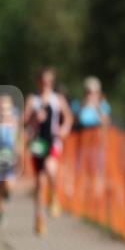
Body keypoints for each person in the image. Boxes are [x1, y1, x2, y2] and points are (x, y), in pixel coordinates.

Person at [23, 67, 74, 236]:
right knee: (39, 183)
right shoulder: (33, 100)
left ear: (52, 83)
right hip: (38, 143)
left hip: (53, 142)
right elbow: (23, 121)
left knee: (51, 169)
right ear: (39, 82)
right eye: (43, 82)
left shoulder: (58, 99)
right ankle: (39, 218)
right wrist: (33, 120)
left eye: (49, 82)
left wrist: (64, 129)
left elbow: (68, 117)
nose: (46, 85)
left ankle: (53, 196)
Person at [72, 76, 112, 206]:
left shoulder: (103, 106)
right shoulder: (80, 105)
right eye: (88, 92)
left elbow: (106, 123)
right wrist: (84, 106)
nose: (90, 94)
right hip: (83, 145)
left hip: (97, 144)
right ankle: (85, 200)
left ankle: (97, 201)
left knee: (97, 172)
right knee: (84, 172)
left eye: (93, 92)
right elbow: (76, 122)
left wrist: (97, 107)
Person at [0, 95, 20, 226]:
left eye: (7, 108)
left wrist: (18, 156)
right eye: (2, 108)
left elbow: (18, 142)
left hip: (10, 159)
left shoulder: (14, 123)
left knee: (7, 184)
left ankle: (6, 193)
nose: (4, 111)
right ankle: (0, 212)